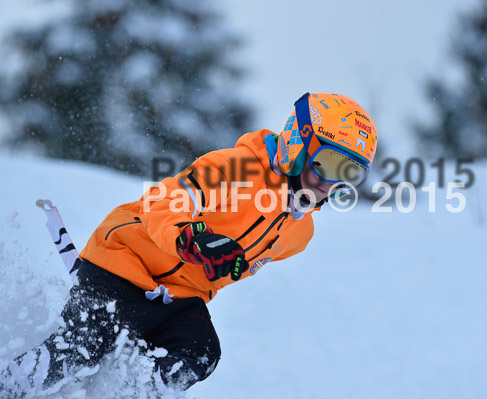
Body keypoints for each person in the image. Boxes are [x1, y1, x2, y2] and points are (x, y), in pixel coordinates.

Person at [0, 92, 378, 396]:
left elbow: (227, 270)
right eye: (329, 162)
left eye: (349, 173)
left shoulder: (299, 235)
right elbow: (166, 201)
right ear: (298, 142)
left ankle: (126, 392)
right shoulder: (238, 169)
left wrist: (220, 267)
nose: (332, 183)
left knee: (201, 352)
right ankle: (10, 386)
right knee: (86, 343)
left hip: (176, 297)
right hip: (121, 260)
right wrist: (191, 239)